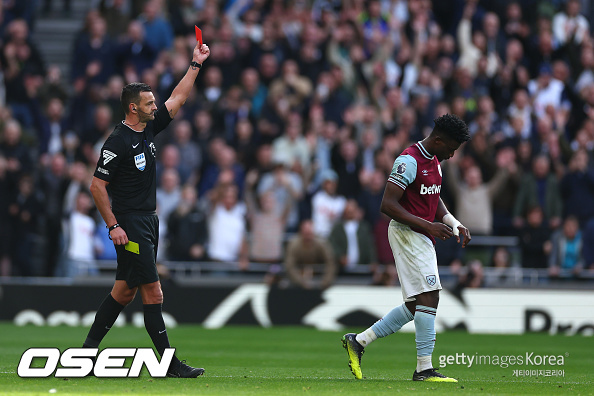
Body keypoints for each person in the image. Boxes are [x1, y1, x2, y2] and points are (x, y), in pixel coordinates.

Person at [84, 41, 210, 378]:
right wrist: (113, 226)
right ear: (132, 109)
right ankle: (169, 364)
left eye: (155, 101)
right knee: (153, 291)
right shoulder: (117, 142)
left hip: (146, 222)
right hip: (130, 225)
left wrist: (195, 65)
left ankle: (85, 354)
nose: (156, 106)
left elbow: (178, 98)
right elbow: (96, 186)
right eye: (149, 103)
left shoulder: (149, 127)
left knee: (123, 292)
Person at [341, 114, 471, 382]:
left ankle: (359, 341)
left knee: (416, 305)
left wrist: (454, 223)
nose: (452, 154)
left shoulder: (435, 161)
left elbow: (433, 197)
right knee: (430, 296)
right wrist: (429, 225)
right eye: (451, 148)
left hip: (421, 234)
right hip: (407, 233)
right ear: (437, 140)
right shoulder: (408, 160)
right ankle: (424, 369)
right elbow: (387, 205)